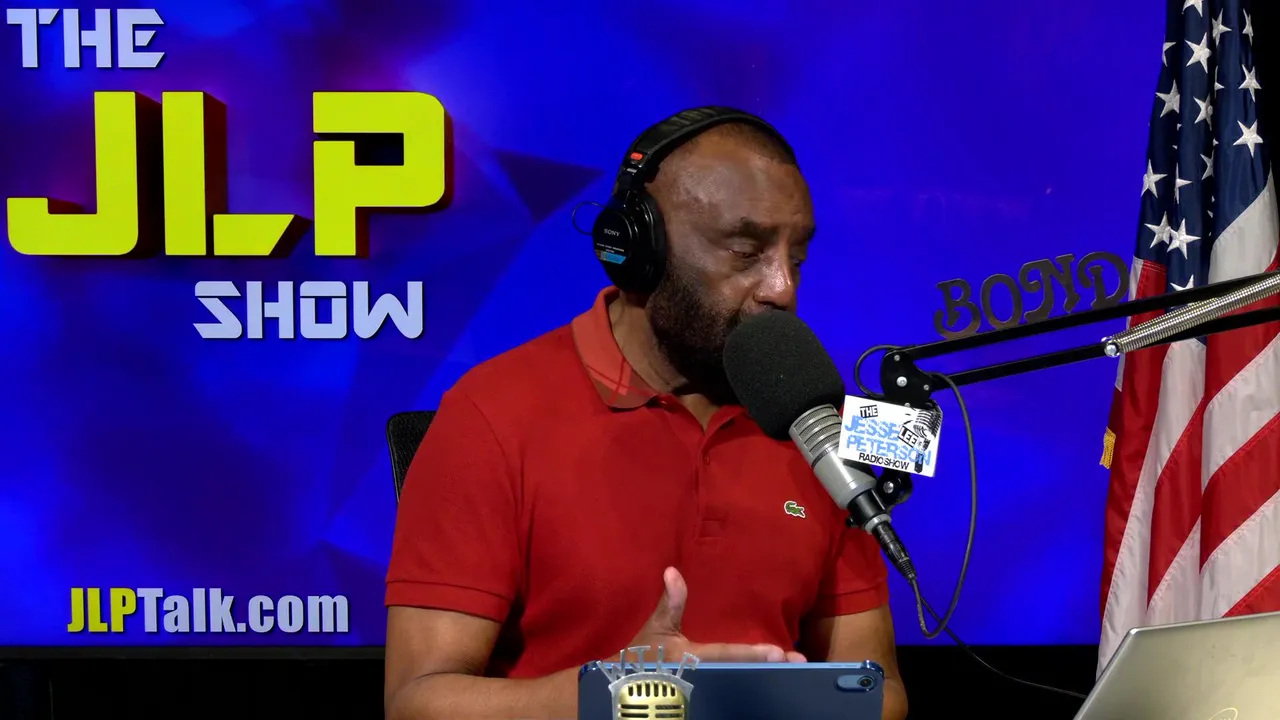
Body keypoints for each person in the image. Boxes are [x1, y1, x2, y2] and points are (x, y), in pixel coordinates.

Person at [384, 107, 907, 720]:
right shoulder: (491, 412)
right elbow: (417, 701)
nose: (782, 288)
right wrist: (617, 697)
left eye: (797, 257)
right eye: (746, 252)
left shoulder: (816, 420)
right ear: (638, 249)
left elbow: (879, 692)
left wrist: (750, 704)